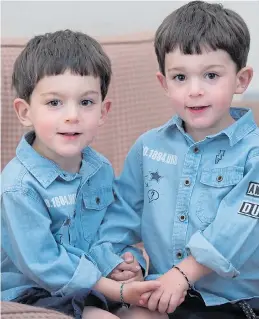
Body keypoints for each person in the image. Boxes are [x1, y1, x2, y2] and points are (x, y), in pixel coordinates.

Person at [89, 1, 259, 318]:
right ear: (164, 83)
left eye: (211, 75)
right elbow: (120, 215)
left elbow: (239, 226)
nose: (194, 90)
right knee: (107, 309)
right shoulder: (148, 147)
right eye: (180, 77)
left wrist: (182, 274)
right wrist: (126, 263)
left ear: (241, 80)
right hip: (162, 290)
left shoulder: (254, 153)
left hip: (233, 301)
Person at [0, 29, 162, 319]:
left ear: (103, 111)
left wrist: (128, 262)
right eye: (54, 103)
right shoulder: (18, 187)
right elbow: (44, 264)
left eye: (86, 102)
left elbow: (112, 230)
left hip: (96, 283)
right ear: (25, 112)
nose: (72, 115)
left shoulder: (99, 169)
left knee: (150, 315)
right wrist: (116, 291)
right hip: (34, 291)